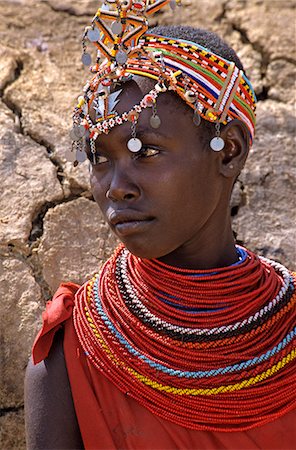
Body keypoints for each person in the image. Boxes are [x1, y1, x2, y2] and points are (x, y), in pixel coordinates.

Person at [24, 1, 296, 449]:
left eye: (145, 150)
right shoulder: (72, 350)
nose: (115, 187)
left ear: (228, 151)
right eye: (99, 159)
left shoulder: (285, 336)